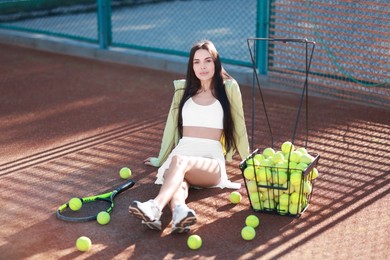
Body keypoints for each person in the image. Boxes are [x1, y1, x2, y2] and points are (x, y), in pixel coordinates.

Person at [129, 40, 250, 234]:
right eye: (196, 62)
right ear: (191, 66)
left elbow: (240, 127)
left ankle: (155, 207)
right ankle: (180, 212)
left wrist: (249, 165)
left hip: (210, 161)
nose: (202, 66)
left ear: (216, 63)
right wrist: (161, 159)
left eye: (207, 61)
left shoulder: (229, 88)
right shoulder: (182, 90)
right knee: (179, 183)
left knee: (179, 161)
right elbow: (170, 128)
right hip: (182, 155)